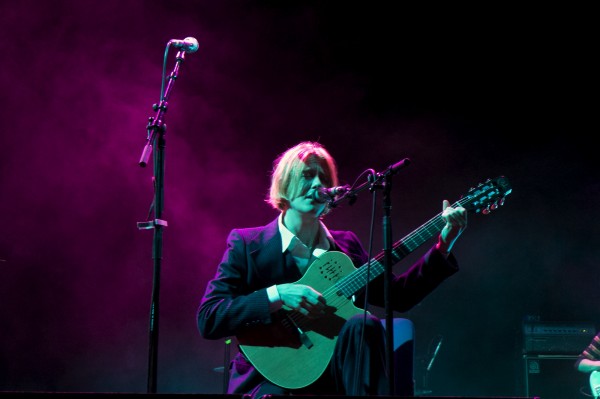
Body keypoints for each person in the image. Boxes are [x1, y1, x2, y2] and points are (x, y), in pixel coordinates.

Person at [196, 141, 467, 398]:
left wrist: (444, 244)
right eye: (307, 175)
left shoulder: (344, 246)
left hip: (337, 379)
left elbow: (398, 296)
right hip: (270, 380)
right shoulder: (247, 244)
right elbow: (210, 317)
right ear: (285, 184)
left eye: (324, 178)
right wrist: (277, 295)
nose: (318, 184)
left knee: (364, 323)